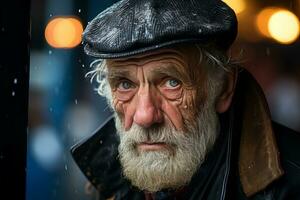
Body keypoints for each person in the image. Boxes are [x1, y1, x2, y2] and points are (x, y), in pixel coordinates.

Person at [71, 0, 300, 199]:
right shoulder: (107, 180)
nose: (145, 115)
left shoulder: (291, 183)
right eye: (125, 84)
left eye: (172, 82)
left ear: (223, 88)